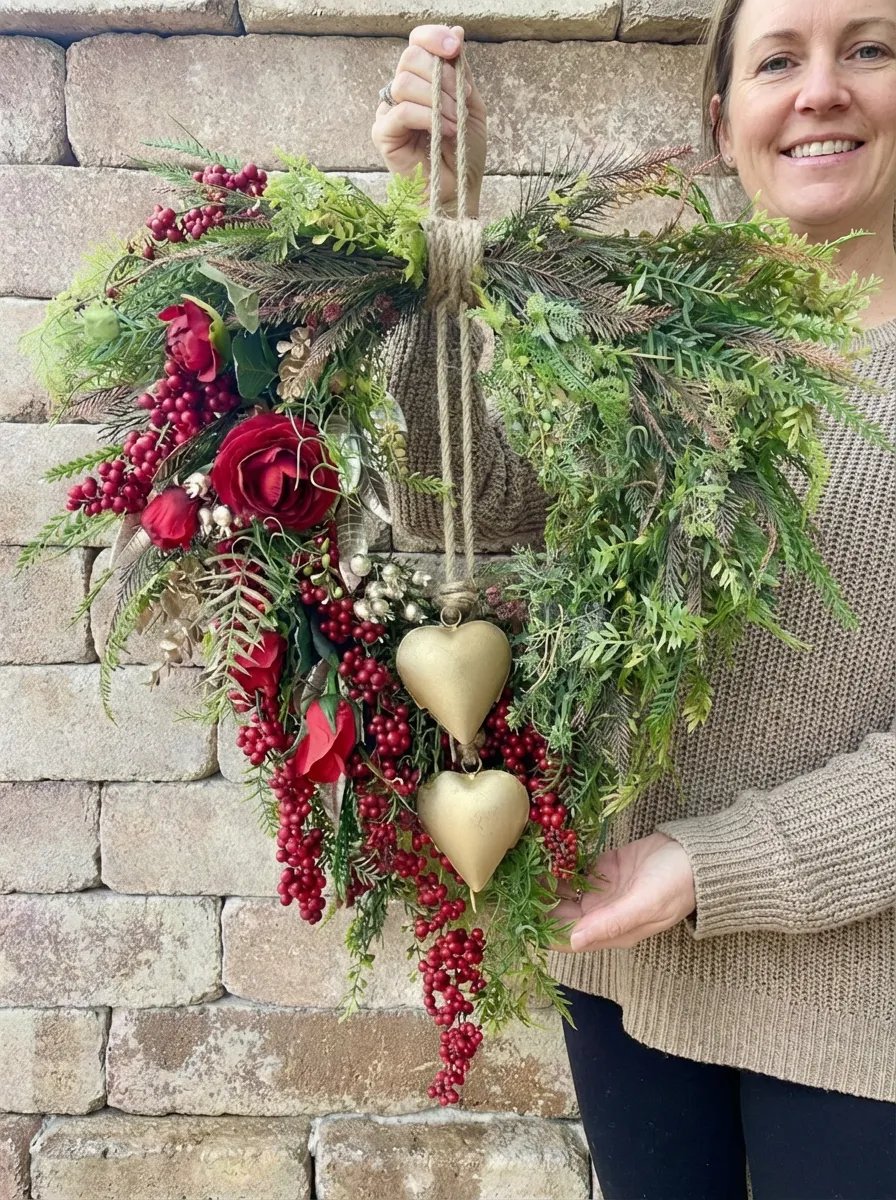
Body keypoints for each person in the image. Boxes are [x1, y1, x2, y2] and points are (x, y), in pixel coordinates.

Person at [371, 4, 896, 1197]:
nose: (819, 90)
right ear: (721, 122)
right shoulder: (651, 346)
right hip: (631, 976)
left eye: (865, 49)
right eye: (777, 61)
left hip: (864, 1004)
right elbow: (462, 496)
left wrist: (714, 865)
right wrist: (440, 227)